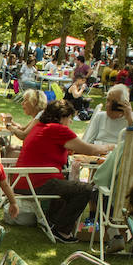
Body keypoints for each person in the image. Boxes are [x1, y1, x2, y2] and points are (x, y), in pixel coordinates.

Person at [12, 99, 107, 243]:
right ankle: (62, 230)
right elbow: (91, 149)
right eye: (69, 118)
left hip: (23, 180)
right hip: (36, 182)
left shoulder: (41, 126)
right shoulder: (58, 129)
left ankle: (53, 222)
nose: (70, 122)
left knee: (67, 186)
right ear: (62, 117)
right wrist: (111, 147)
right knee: (85, 189)